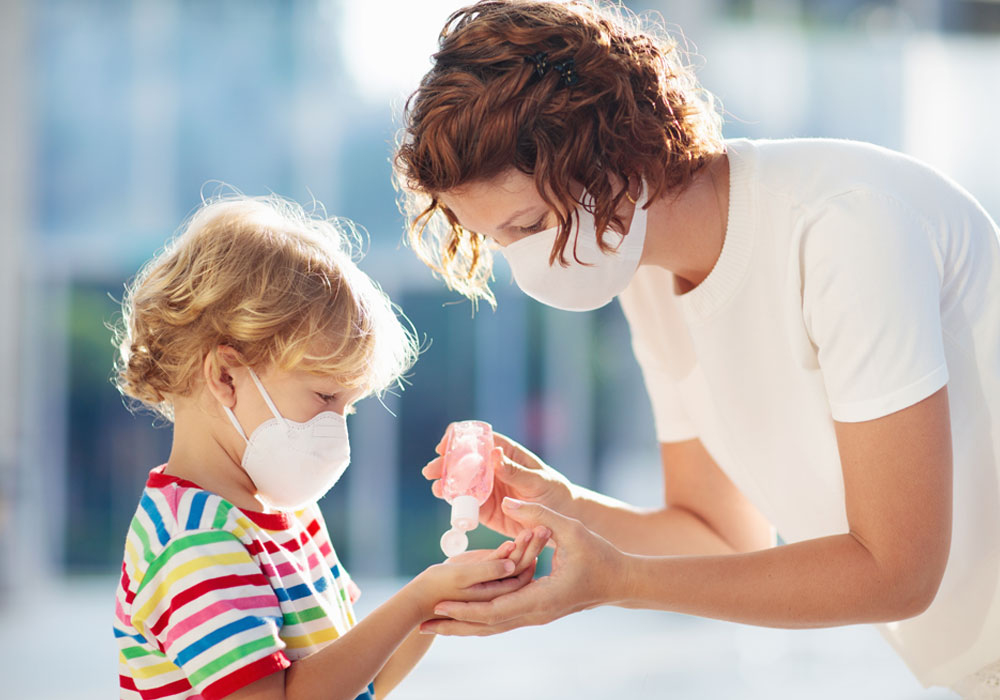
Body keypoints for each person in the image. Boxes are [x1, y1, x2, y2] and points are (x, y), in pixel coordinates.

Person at [393, 0, 1000, 696]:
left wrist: (618, 582)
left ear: (610, 151)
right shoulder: (649, 279)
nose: (524, 265)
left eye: (528, 225)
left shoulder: (843, 226)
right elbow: (718, 536)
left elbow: (898, 572)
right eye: (500, 243)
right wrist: (566, 508)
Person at [111, 195, 550, 700]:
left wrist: (439, 599)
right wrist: (416, 600)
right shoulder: (193, 542)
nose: (337, 428)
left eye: (349, 405)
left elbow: (359, 681)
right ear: (225, 375)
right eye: (324, 396)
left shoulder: (291, 513)